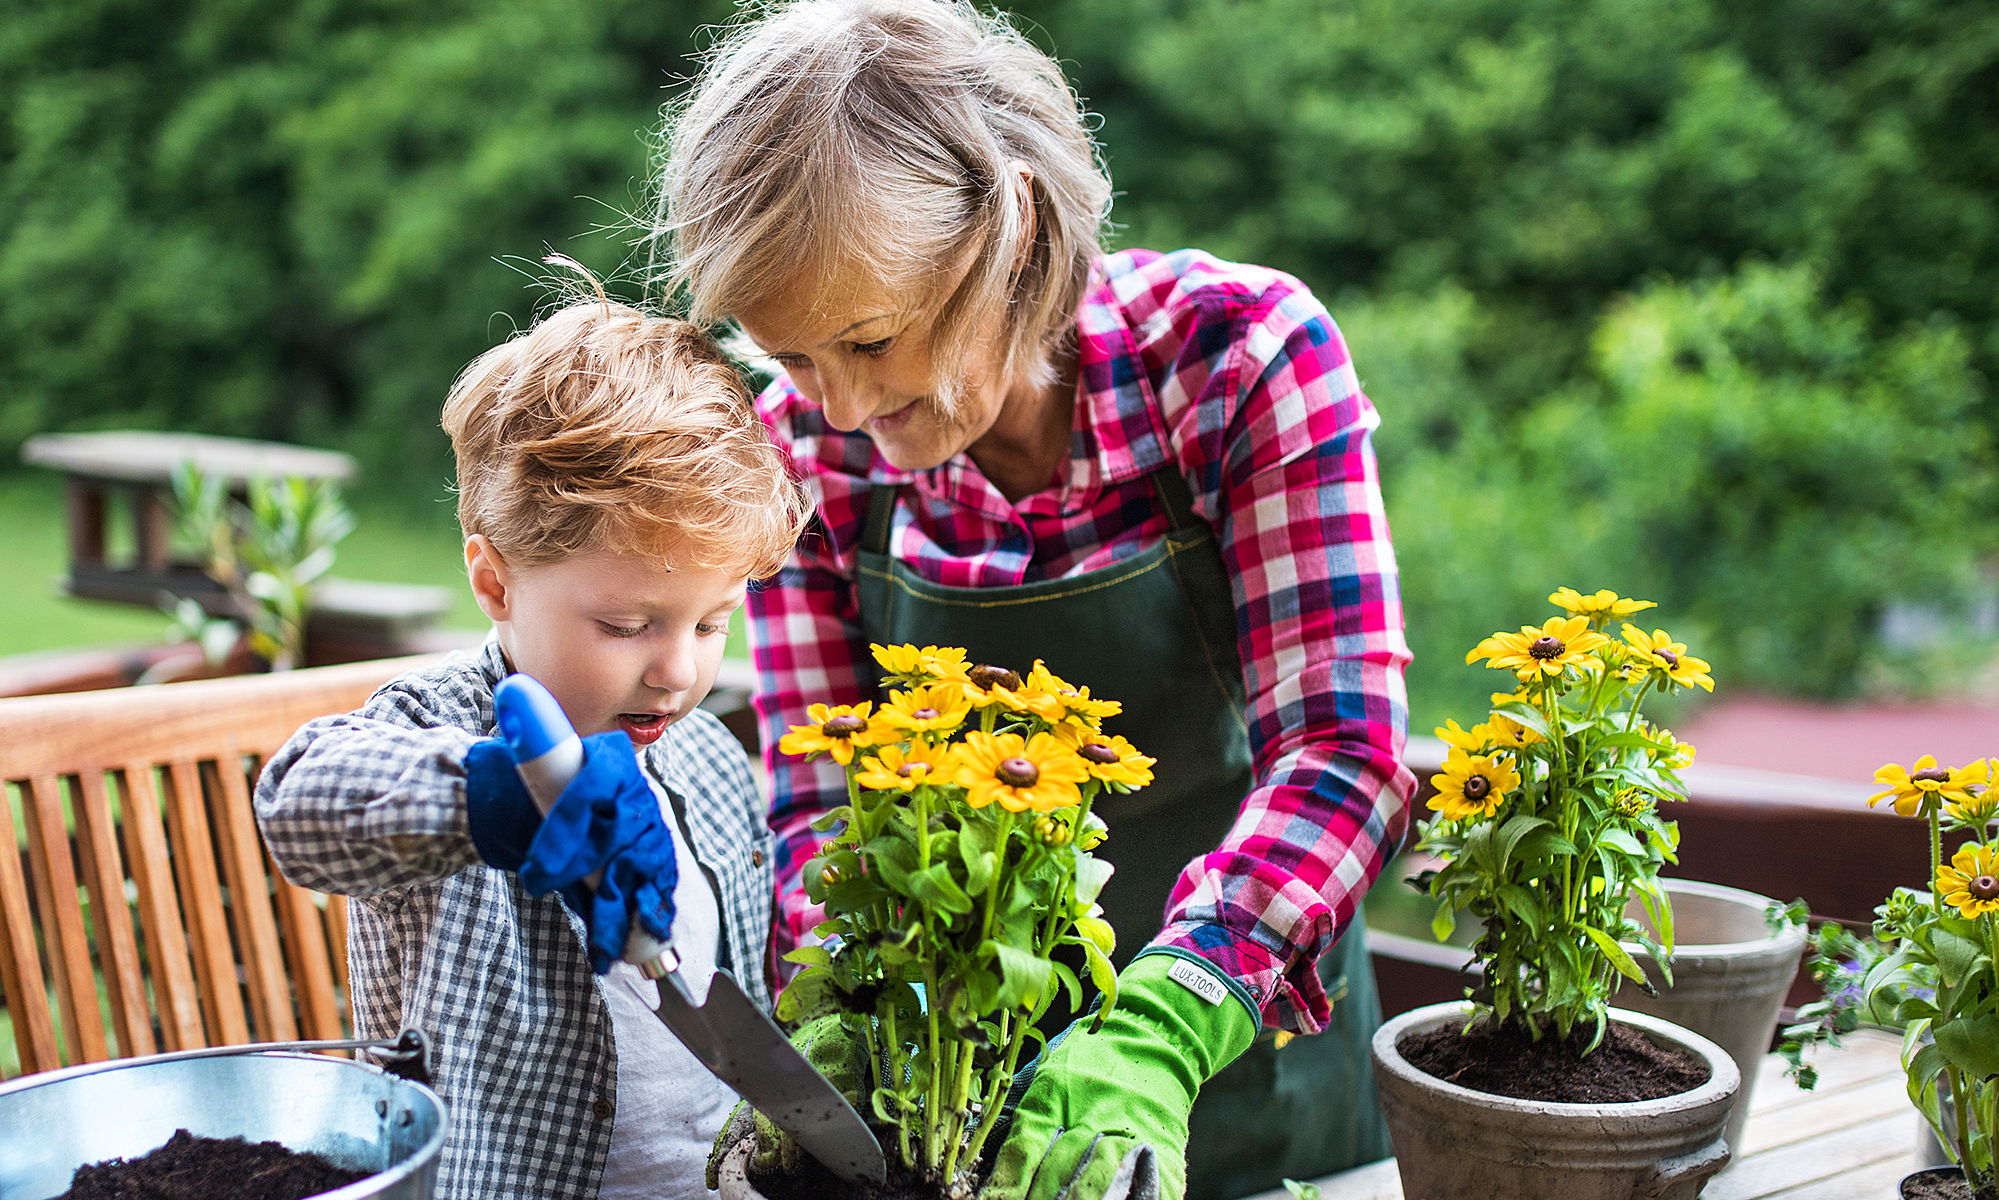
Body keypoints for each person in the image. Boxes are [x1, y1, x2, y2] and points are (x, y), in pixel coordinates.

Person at [655, 2, 1417, 1197]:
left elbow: (1343, 755)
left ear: (1010, 235)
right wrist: (850, 1005)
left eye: (869, 340)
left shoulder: (1239, 360)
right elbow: (816, 794)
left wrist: (1165, 1029)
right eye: (793, 357)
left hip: (1258, 1081)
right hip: (954, 1108)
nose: (839, 407)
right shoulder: (804, 453)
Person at [253, 292, 810, 1200]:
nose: (678, 669)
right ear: (495, 581)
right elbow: (298, 804)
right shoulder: (441, 730)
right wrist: (494, 795)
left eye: (713, 621)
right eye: (627, 624)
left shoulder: (706, 758)